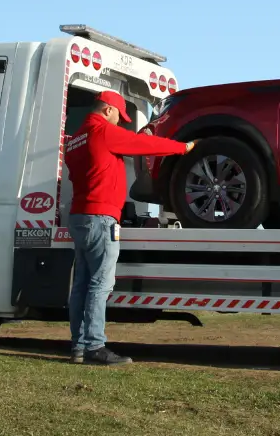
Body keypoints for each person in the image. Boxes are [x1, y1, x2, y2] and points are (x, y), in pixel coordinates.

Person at [63, 89, 194, 366]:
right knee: (101, 284)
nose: (119, 122)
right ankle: (95, 347)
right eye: (119, 116)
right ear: (107, 110)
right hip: (101, 218)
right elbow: (142, 145)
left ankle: (78, 346)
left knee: (82, 285)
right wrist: (183, 148)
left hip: (80, 217)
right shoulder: (103, 131)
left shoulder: (75, 140)